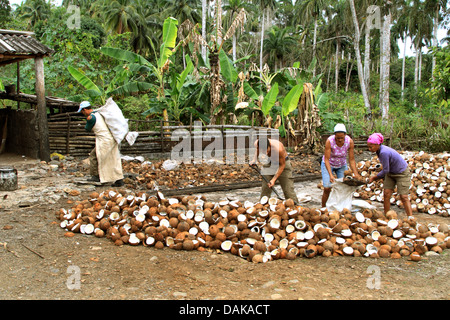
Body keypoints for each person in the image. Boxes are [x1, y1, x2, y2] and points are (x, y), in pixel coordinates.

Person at [367, 133, 413, 218]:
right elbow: (387, 169)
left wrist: (374, 178)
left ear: (377, 144)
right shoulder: (378, 150)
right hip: (391, 173)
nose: (370, 149)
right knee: (386, 194)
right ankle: (387, 215)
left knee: (404, 196)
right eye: (368, 147)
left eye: (371, 147)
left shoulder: (384, 152)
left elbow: (385, 170)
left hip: (401, 173)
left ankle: (410, 217)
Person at [78, 101, 124, 187]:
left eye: (82, 111)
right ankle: (118, 180)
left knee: (96, 156)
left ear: (85, 109)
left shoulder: (91, 118)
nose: (82, 113)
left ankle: (97, 176)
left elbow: (87, 129)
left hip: (104, 140)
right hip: (110, 139)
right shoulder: (98, 114)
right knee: (112, 159)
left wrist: (87, 121)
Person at [321, 123, 361, 207]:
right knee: (327, 188)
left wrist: (356, 173)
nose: (339, 140)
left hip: (341, 165)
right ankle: (323, 207)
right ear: (334, 135)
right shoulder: (330, 141)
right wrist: (331, 175)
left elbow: (351, 159)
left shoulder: (349, 141)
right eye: (337, 138)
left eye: (341, 138)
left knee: (344, 187)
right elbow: (326, 160)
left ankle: (341, 206)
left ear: (345, 135)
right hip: (329, 164)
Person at [250, 137, 299, 204]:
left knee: (288, 189)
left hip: (283, 164)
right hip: (270, 162)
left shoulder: (278, 149)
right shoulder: (257, 143)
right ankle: (263, 206)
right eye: (263, 151)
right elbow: (257, 149)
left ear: (269, 145)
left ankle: (295, 206)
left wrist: (273, 179)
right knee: (265, 187)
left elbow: (282, 165)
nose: (265, 153)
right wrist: (254, 160)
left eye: (267, 151)